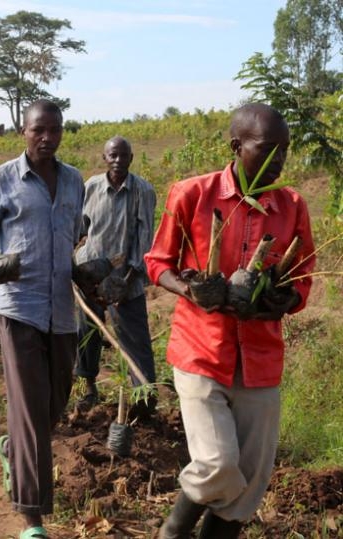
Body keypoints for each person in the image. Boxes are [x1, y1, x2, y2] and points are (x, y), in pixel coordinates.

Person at [145, 103, 315, 539]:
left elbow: (304, 280)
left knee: (252, 479)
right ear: (237, 146)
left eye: (285, 150)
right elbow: (158, 262)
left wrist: (278, 300)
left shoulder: (291, 205)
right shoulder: (191, 194)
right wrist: (192, 290)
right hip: (201, 349)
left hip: (260, 357)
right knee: (218, 464)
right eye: (268, 149)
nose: (279, 159)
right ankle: (171, 532)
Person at [0, 99, 84, 539]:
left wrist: (89, 270)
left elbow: (77, 234)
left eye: (54, 130)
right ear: (24, 130)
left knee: (55, 403)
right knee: (32, 410)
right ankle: (31, 515)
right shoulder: (1, 179)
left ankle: (13, 449)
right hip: (18, 305)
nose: (47, 138)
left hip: (62, 311)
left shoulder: (74, 181)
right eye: (39, 130)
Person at [73, 136, 157, 416]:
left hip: (126, 278)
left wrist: (127, 280)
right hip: (91, 275)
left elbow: (145, 240)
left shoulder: (143, 191)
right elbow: (80, 228)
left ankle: (143, 396)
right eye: (113, 156)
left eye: (123, 156)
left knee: (135, 338)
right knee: (86, 333)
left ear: (131, 158)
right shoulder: (91, 187)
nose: (118, 161)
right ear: (104, 158)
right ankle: (89, 388)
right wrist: (79, 264)